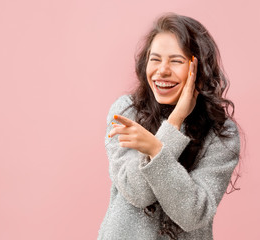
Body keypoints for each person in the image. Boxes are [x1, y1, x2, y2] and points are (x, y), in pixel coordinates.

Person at [98, 13, 241, 240]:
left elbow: (192, 215)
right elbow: (137, 193)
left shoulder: (221, 133)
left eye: (176, 61)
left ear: (199, 69)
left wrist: (156, 149)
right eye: (155, 59)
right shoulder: (126, 112)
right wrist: (174, 124)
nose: (162, 70)